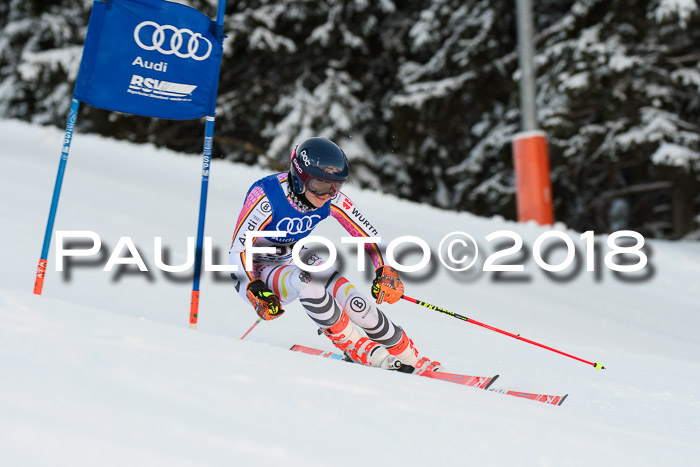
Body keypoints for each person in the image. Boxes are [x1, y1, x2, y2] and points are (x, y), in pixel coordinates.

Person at [228, 137, 441, 374]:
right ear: (300, 177)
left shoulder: (331, 199)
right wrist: (254, 287)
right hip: (255, 270)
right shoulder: (266, 196)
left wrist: (385, 269)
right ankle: (357, 347)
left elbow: (368, 235)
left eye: (336, 186)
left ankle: (408, 355)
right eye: (320, 184)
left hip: (291, 256)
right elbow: (239, 248)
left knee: (351, 298)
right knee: (306, 281)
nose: (328, 193)